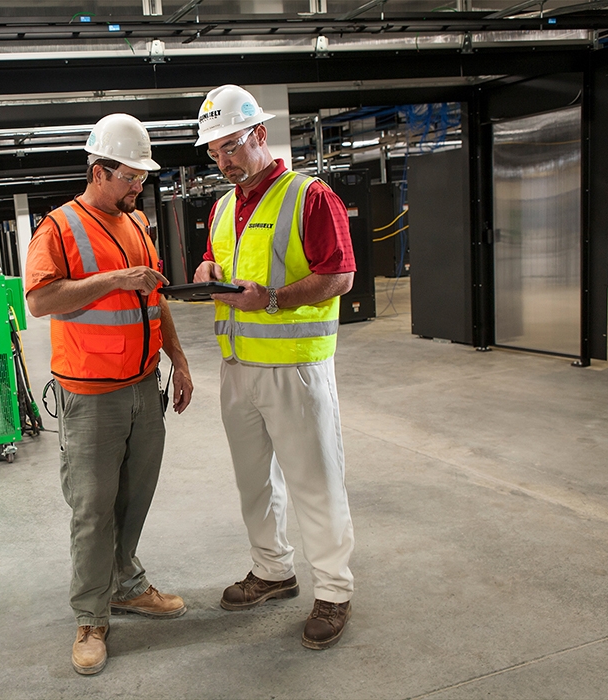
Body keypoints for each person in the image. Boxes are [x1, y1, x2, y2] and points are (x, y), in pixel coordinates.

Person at [24, 113, 195, 676]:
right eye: (130, 176)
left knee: (134, 497)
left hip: (144, 387)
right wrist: (117, 281)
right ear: (100, 172)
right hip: (91, 396)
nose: (138, 186)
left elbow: (157, 299)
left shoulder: (136, 223)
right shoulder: (58, 228)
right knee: (93, 509)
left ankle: (126, 584)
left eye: (142, 178)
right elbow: (42, 302)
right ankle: (90, 616)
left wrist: (180, 358)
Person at [192, 85, 357, 650]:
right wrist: (211, 267)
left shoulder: (308, 196)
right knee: (254, 482)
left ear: (259, 134)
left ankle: (334, 590)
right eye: (213, 152)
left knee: (316, 482)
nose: (223, 159)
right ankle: (272, 570)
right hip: (237, 366)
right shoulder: (221, 206)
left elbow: (340, 276)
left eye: (230, 145)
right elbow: (228, 262)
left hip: (294, 368)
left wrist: (270, 299)